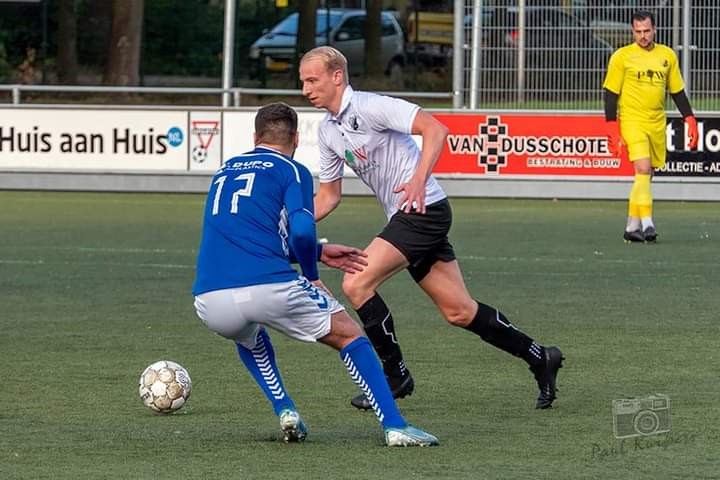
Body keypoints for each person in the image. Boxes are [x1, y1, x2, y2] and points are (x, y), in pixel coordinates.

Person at [299, 46, 564, 411]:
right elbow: (328, 197)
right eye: (303, 82)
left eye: (312, 80)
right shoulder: (329, 131)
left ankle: (395, 376)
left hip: (425, 212)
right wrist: (287, 223)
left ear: (337, 76)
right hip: (406, 218)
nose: (306, 89)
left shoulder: (371, 106)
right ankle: (540, 356)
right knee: (459, 311)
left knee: (356, 282)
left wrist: (419, 180)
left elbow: (435, 128)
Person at [192, 102, 438, 447]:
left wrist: (321, 252)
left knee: (249, 337)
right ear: (295, 138)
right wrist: (311, 272)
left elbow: (249, 239)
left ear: (255, 137)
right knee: (350, 336)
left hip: (210, 299)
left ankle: (285, 409)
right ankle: (395, 425)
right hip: (270, 286)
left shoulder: (224, 171)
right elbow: (303, 231)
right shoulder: (292, 170)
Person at [603, 10, 699, 243]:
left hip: (656, 121)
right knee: (643, 168)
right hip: (632, 120)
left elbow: (677, 91)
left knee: (646, 174)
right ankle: (648, 223)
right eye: (638, 32)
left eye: (647, 31)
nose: (643, 36)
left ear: (654, 30)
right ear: (632, 31)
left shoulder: (667, 55)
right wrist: (612, 129)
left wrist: (690, 119)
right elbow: (610, 94)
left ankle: (632, 226)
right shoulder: (621, 57)